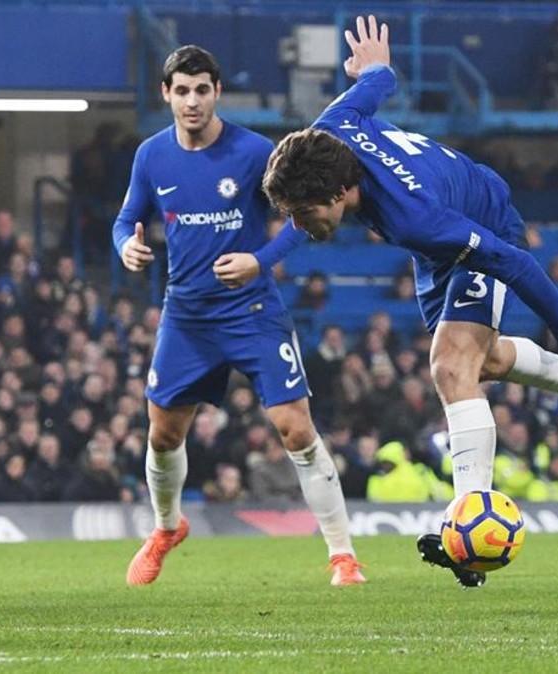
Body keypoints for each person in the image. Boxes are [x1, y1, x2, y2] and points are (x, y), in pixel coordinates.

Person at [261, 16, 558, 589]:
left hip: (480, 220)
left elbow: (514, 263)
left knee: (451, 365)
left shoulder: (417, 220)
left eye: (302, 213)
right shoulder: (329, 128)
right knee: (480, 363)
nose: (298, 226)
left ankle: (468, 530)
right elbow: (380, 82)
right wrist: (372, 66)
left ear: (339, 193)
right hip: (440, 229)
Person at [112, 45, 364, 587]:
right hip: (187, 315)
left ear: (217, 91)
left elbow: (304, 216)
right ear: (166, 94)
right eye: (182, 90)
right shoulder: (151, 156)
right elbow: (127, 218)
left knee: (294, 428)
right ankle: (165, 528)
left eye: (202, 89)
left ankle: (343, 556)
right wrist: (123, 247)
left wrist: (259, 260)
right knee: (162, 434)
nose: (192, 100)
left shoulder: (254, 152)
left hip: (251, 311)